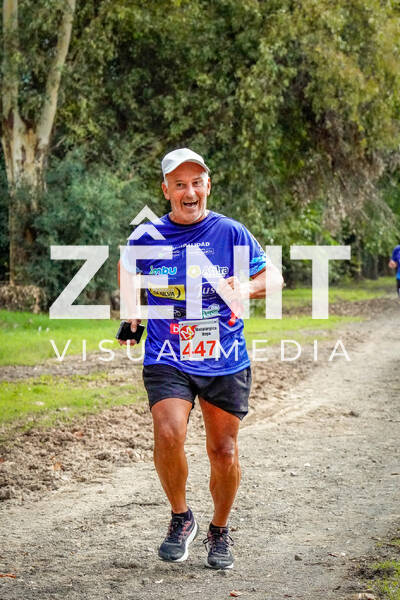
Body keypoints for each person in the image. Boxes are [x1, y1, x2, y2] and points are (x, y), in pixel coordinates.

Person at [119, 148, 284, 569]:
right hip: (167, 353)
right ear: (166, 190)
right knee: (168, 432)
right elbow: (128, 266)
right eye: (179, 184)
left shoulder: (231, 232)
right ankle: (181, 517)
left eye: (196, 183)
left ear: (207, 186)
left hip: (224, 356)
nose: (189, 191)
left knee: (223, 451)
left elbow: (274, 277)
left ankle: (219, 530)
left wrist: (245, 288)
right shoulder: (148, 236)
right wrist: (131, 309)